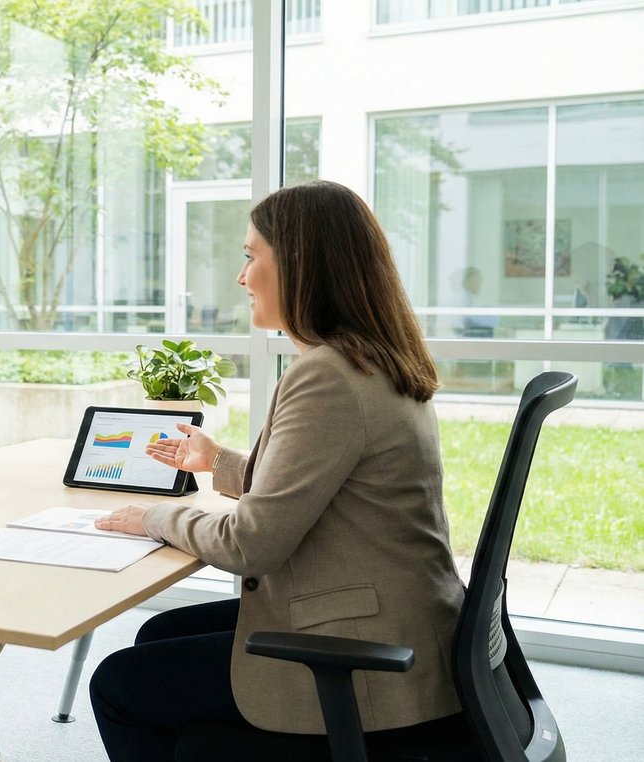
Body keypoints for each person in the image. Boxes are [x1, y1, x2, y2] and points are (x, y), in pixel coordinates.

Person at [90, 181, 468, 761]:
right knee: (158, 636)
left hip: (370, 659)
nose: (241, 278)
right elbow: (330, 486)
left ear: (298, 263)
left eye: (250, 256)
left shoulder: (328, 377)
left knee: (118, 683)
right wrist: (218, 462)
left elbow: (250, 545)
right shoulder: (372, 357)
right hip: (410, 627)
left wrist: (155, 516)